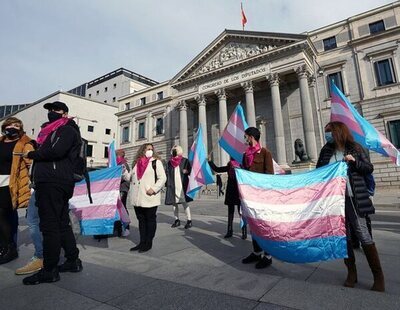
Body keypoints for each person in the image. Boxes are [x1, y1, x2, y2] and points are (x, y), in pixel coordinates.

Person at [316, 121, 384, 292]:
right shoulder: (326, 150)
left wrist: (354, 162)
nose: (327, 135)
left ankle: (378, 276)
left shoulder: (355, 148)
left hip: (354, 198)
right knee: (343, 237)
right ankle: (351, 273)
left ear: (338, 132)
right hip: (335, 201)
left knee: (362, 233)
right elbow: (318, 171)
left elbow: (368, 168)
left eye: (329, 132)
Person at [22, 101, 83, 285]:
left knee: (49, 226)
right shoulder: (52, 131)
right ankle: (73, 260)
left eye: (55, 110)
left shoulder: (66, 130)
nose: (51, 113)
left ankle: (49, 269)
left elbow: (56, 151)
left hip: (53, 181)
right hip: (54, 181)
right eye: (49, 110)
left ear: (64, 113)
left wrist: (32, 154)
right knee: (62, 223)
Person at [0, 117, 34, 265]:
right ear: (4, 127)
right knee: (4, 216)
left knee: (2, 214)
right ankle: (4, 247)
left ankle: (10, 248)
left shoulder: (24, 144)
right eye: (10, 125)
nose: (12, 127)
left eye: (16, 126)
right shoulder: (0, 141)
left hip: (11, 183)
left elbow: (32, 164)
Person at [241, 127, 274, 269]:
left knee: (264, 226)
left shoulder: (265, 153)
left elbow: (270, 176)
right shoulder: (245, 154)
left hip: (262, 196)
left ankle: (268, 255)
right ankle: (256, 252)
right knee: (253, 225)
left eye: (246, 136)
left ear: (251, 137)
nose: (245, 139)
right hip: (249, 196)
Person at [125, 143, 166, 252]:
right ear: (142, 150)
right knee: (141, 221)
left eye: (151, 149)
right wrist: (123, 171)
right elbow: (130, 177)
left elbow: (162, 178)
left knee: (150, 220)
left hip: (149, 196)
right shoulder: (136, 163)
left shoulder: (156, 162)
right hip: (137, 197)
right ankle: (142, 242)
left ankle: (148, 243)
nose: (150, 151)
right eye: (148, 149)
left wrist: (154, 189)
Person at [209, 157, 246, 239]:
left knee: (240, 213)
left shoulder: (241, 166)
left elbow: (217, 169)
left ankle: (243, 231)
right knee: (232, 212)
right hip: (232, 191)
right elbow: (217, 169)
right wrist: (210, 161)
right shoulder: (231, 166)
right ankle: (231, 231)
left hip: (238, 191)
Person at [165, 145, 193, 229]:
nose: (174, 152)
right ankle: (176, 220)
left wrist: (187, 171)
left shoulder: (185, 161)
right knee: (174, 204)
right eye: (173, 150)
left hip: (182, 185)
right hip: (173, 185)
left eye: (175, 150)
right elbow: (167, 173)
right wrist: (167, 184)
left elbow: (191, 171)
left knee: (185, 203)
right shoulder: (169, 162)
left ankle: (189, 220)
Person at [115, 149, 130, 237]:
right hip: (118, 189)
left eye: (117, 154)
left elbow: (125, 177)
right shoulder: (118, 163)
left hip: (122, 189)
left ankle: (126, 227)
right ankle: (119, 227)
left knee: (123, 207)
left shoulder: (123, 164)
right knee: (118, 209)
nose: (116, 155)